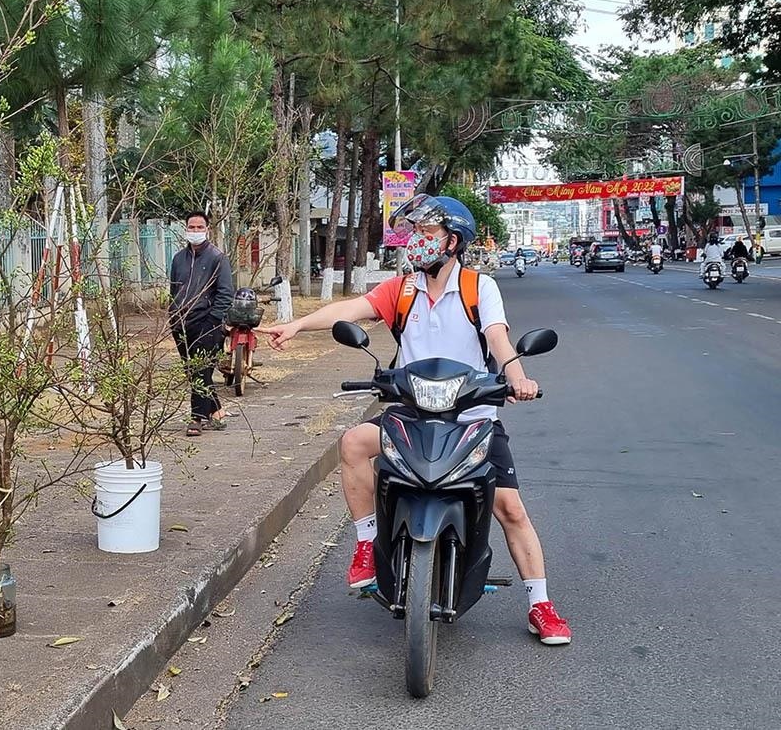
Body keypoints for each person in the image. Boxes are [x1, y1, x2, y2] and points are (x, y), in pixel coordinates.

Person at [260, 195, 572, 646]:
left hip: (472, 415)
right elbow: (349, 310)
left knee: (510, 508)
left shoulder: (477, 287)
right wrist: (295, 326)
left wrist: (518, 378)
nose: (417, 243)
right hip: (411, 411)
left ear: (453, 241)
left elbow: (498, 339)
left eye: (427, 234)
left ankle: (540, 604)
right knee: (353, 443)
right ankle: (368, 543)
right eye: (415, 234)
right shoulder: (401, 289)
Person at [169, 211, 234, 437]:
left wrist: (213, 320)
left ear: (207, 229)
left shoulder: (218, 257)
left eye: (199, 227)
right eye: (191, 227)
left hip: (207, 323)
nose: (195, 231)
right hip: (181, 324)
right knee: (194, 371)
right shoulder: (178, 258)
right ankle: (217, 411)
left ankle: (197, 418)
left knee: (201, 370)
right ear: (185, 228)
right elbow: (174, 290)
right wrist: (173, 316)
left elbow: (225, 293)